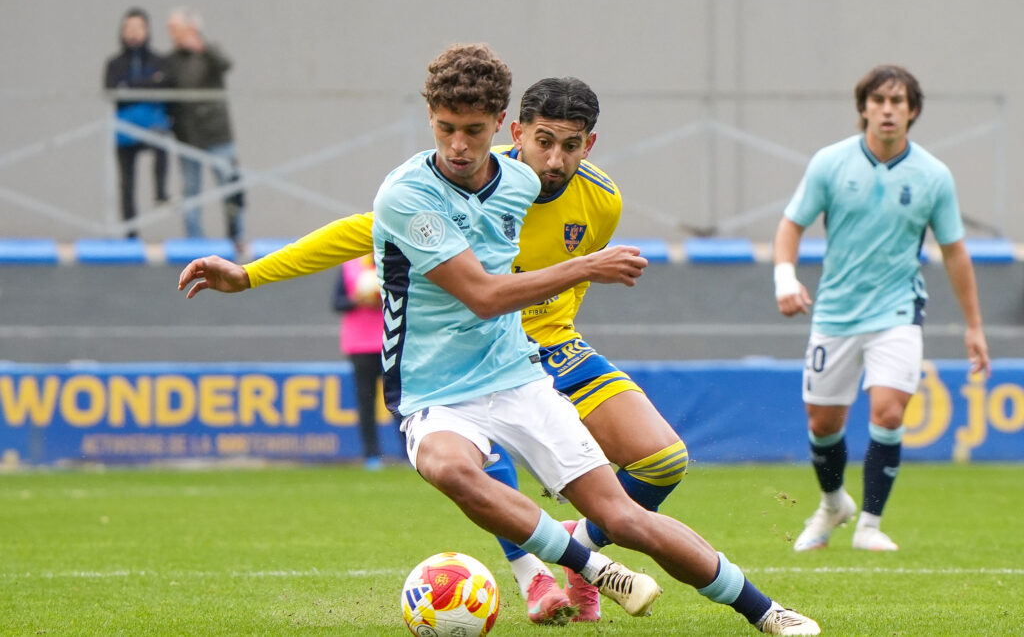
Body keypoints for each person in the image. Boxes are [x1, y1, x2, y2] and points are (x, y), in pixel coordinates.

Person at [181, 42, 820, 635]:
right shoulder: (408, 194)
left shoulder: (531, 187)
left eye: (472, 130)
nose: (459, 146)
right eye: (445, 129)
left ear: (496, 125)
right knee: (450, 466)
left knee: (631, 512)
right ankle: (583, 567)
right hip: (437, 385)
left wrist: (567, 299)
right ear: (510, 132)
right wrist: (251, 274)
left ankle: (769, 614)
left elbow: (536, 289)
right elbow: (462, 283)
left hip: (522, 366)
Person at [773, 64, 991, 553]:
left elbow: (955, 250)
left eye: (898, 102)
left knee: (889, 413)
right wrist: (786, 277)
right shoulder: (831, 163)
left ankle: (870, 524)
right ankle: (833, 505)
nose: (887, 110)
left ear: (912, 111)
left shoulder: (933, 176)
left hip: (897, 310)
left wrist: (973, 326)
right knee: (821, 425)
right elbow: (791, 224)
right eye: (879, 101)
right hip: (835, 311)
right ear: (864, 108)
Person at [166, 7, 244, 251]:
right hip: (188, 135)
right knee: (191, 189)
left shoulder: (210, 52)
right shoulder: (171, 60)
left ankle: (236, 237)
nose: (173, 34)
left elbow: (226, 64)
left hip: (217, 133)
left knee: (230, 185)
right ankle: (194, 242)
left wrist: (203, 48)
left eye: (177, 29)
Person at [103, 7, 172, 238]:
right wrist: (148, 84)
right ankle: (129, 233)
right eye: (128, 28)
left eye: (138, 27)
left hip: (152, 126)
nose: (132, 33)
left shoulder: (158, 60)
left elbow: (164, 85)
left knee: (162, 149)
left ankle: (161, 193)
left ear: (147, 30)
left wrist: (131, 85)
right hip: (125, 130)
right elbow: (112, 90)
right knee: (127, 184)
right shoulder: (114, 63)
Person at [332, 255, 391, 470]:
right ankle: (372, 455)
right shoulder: (350, 265)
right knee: (366, 401)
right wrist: (356, 300)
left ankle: (408, 452)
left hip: (390, 342)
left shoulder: (391, 260)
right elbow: (337, 302)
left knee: (396, 401)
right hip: (359, 344)